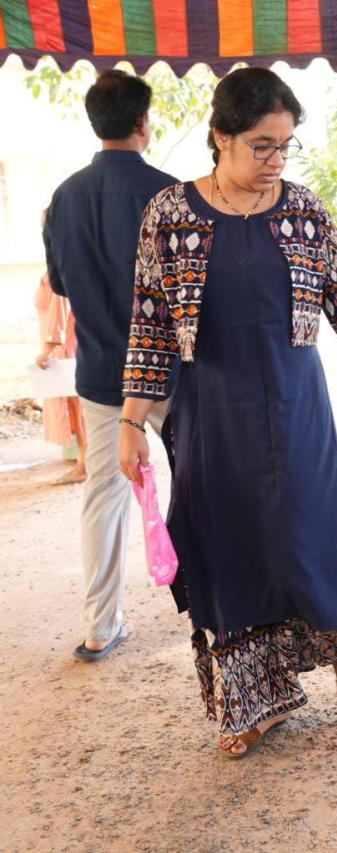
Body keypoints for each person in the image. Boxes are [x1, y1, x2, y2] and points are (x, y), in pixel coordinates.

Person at [118, 67, 337, 759]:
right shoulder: (169, 216)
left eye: (286, 146)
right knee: (228, 545)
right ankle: (251, 701)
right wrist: (131, 422)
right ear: (219, 137)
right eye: (262, 145)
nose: (276, 161)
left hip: (296, 406)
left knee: (306, 532)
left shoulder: (303, 211)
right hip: (209, 413)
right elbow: (149, 324)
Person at [43, 70, 176, 662]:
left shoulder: (63, 199)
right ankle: (222, 615)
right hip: (175, 374)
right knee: (203, 480)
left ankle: (100, 626)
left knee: (103, 494)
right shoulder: (174, 195)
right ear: (143, 125)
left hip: (101, 375)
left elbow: (63, 284)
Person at [32, 271, 88, 484]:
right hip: (65, 343)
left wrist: (48, 348)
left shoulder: (58, 271)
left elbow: (60, 309)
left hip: (66, 345)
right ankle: (82, 460)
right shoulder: (53, 268)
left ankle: (84, 465)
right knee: (74, 404)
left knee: (76, 404)